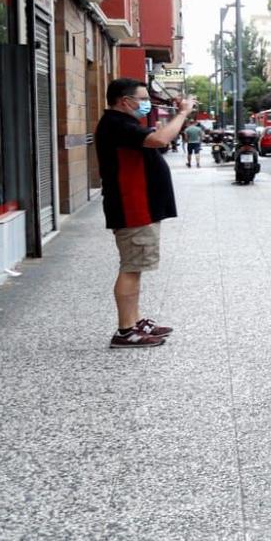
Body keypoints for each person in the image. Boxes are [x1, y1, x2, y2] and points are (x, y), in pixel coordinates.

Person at [96, 78, 194, 347]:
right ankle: (126, 331)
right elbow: (161, 139)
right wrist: (184, 113)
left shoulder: (124, 123)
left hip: (141, 207)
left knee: (136, 267)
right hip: (133, 208)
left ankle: (135, 320)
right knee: (131, 267)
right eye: (142, 98)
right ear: (125, 101)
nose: (146, 103)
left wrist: (176, 111)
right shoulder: (117, 125)